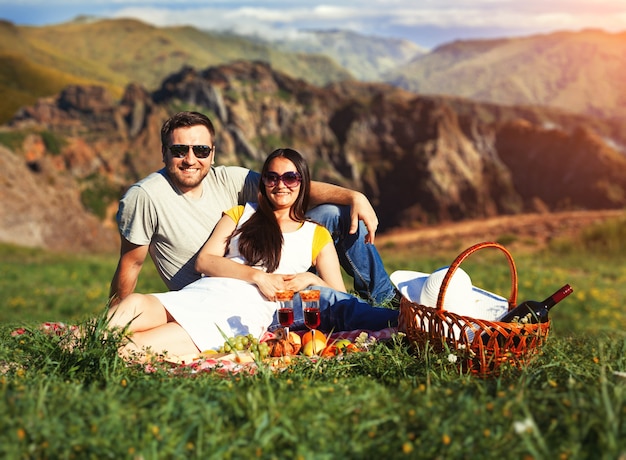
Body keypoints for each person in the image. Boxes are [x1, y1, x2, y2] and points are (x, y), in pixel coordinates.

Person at [107, 148, 398, 359]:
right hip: (203, 292)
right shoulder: (241, 214)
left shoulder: (316, 234)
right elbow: (205, 261)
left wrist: (309, 279)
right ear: (263, 182)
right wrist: (257, 276)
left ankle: (402, 318)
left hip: (240, 311)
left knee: (135, 344)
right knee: (133, 304)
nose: (280, 185)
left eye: (290, 178)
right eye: (271, 177)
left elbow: (336, 295)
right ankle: (81, 342)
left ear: (302, 183)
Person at [109, 111, 397, 306]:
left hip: (271, 270)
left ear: (212, 152)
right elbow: (131, 264)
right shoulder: (145, 196)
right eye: (178, 150)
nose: (190, 159)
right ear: (163, 153)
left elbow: (287, 187)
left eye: (200, 150)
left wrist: (353, 196)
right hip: (215, 291)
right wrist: (115, 320)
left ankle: (385, 301)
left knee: (337, 214)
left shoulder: (229, 180)